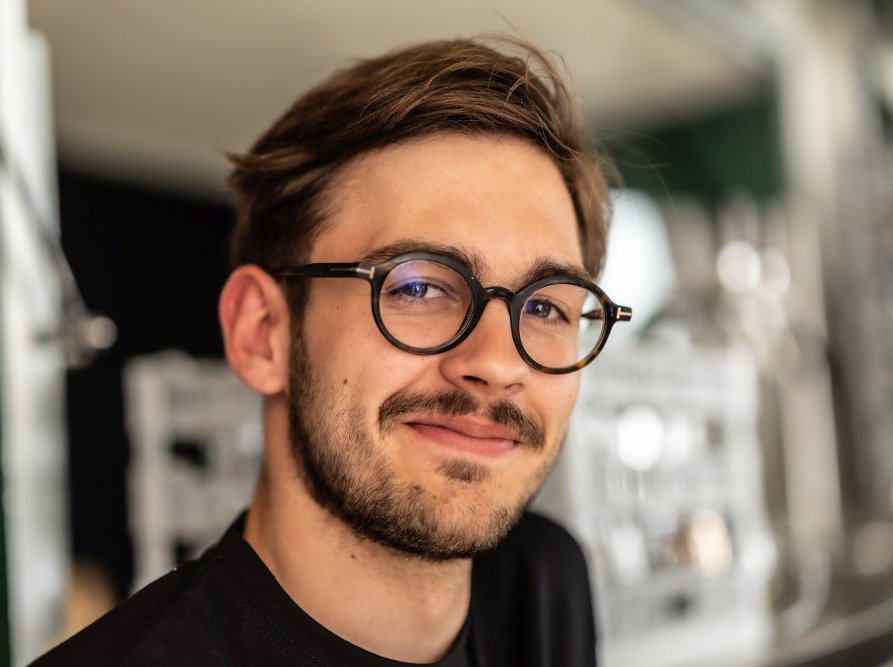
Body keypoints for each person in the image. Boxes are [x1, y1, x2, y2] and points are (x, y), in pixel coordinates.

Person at [33, 35, 632, 666]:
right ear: (261, 332)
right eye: (419, 286)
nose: (499, 363)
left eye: (545, 307)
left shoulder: (541, 584)